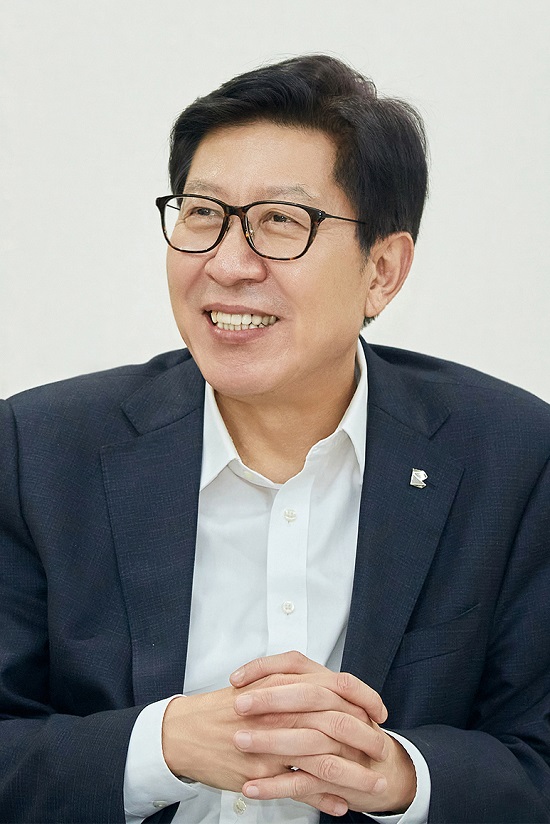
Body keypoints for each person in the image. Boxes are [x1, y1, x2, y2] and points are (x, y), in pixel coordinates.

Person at [0, 54, 549, 824]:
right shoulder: (39, 451)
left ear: (383, 271)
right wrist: (160, 746)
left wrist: (403, 777)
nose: (227, 265)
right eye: (202, 214)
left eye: (281, 223)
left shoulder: (511, 457)